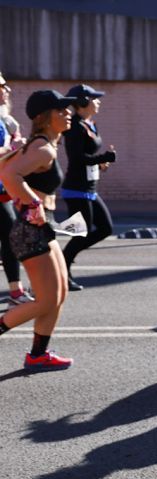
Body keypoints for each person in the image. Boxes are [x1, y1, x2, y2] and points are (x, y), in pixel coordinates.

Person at [0, 90, 76, 370]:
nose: (69, 113)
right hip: (31, 231)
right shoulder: (42, 148)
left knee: (60, 293)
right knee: (45, 301)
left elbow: (5, 170)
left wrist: (28, 201)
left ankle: (38, 354)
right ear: (47, 116)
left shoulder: (41, 144)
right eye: (62, 109)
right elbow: (8, 175)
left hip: (44, 227)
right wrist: (31, 202)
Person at [60, 84, 117, 292]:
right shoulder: (74, 127)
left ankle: (66, 258)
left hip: (90, 188)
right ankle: (63, 267)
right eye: (94, 98)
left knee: (105, 228)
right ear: (83, 102)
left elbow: (89, 158)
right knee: (81, 234)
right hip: (76, 189)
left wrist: (101, 164)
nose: (98, 101)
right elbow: (77, 159)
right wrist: (104, 157)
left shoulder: (89, 124)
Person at [0, 72, 32, 308]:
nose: (7, 90)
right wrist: (13, 147)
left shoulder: (5, 119)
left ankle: (15, 292)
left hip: (3, 190)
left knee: (10, 238)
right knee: (12, 237)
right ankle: (15, 292)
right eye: (2, 87)